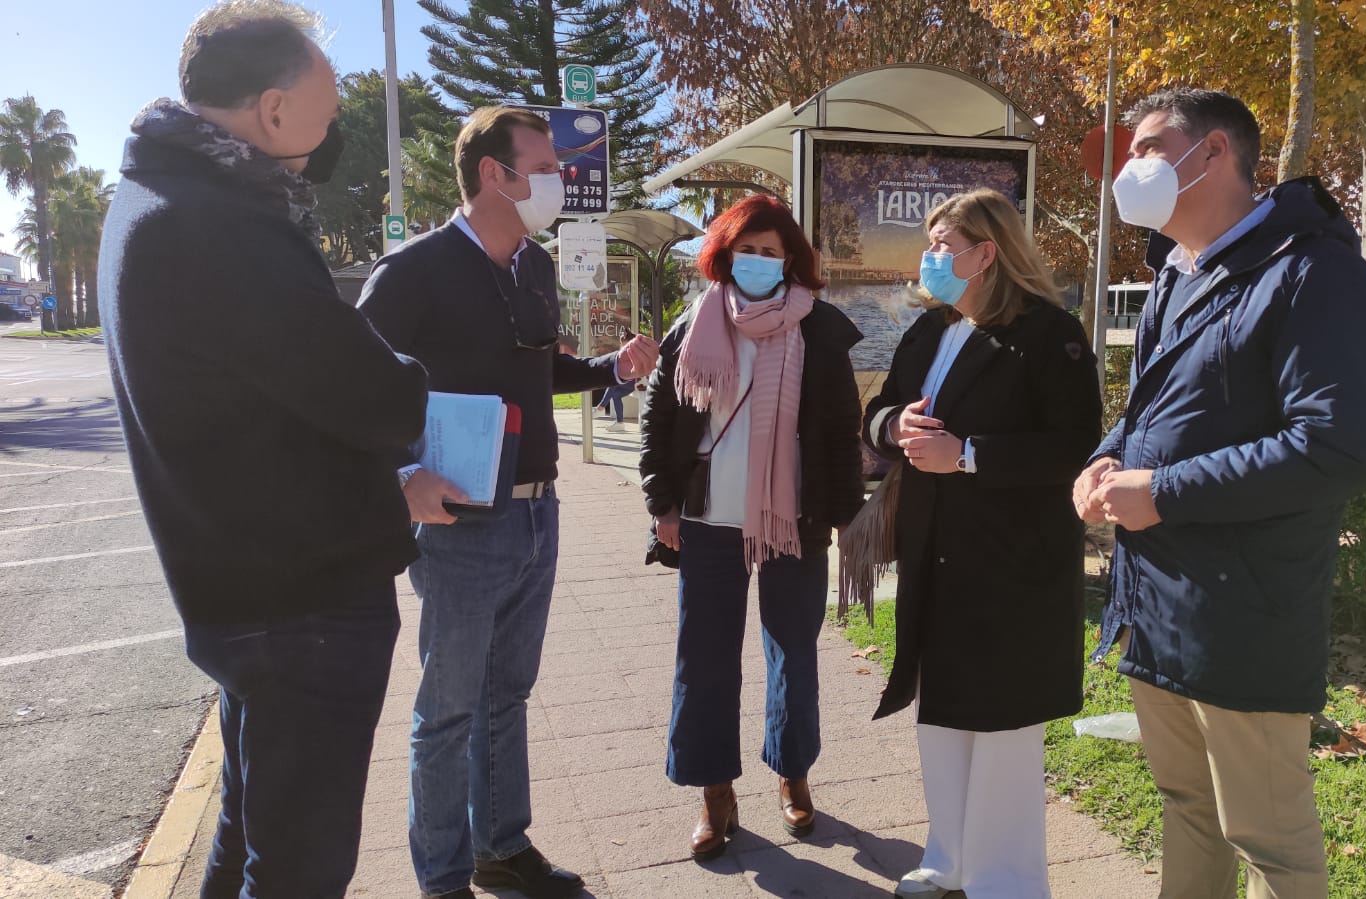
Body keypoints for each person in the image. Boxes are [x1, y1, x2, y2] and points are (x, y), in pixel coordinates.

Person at [98, 3, 428, 896]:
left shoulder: (154, 195)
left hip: (248, 592)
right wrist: (404, 380)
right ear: (273, 111)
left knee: (252, 838)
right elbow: (374, 393)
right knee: (297, 870)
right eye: (323, 118)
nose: (327, 141)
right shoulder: (218, 225)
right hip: (302, 606)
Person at [1074, 88, 1366, 899]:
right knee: (1188, 809)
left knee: (1270, 844)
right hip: (1158, 606)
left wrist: (1167, 491)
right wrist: (1106, 460)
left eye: (1148, 148)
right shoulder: (1177, 273)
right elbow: (1152, 408)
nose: (1131, 168)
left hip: (1245, 616)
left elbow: (1339, 446)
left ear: (1213, 152)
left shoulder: (1311, 269)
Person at [357, 105, 659, 899]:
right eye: (546, 165)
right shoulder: (413, 273)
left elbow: (538, 371)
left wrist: (609, 371)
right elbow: (351, 391)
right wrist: (400, 477)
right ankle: (443, 875)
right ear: (495, 173)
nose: (559, 181)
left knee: (508, 694)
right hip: (460, 522)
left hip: (537, 510)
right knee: (449, 707)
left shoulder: (533, 266)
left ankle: (501, 846)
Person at [861, 189, 1102, 899]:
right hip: (936, 552)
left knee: (1001, 727)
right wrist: (892, 430)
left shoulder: (1048, 333)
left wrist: (969, 455)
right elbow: (879, 411)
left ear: (986, 252)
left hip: (1013, 563)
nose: (929, 259)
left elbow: (1075, 445)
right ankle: (949, 857)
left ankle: (1008, 880)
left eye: (943, 246)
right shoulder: (931, 329)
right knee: (943, 712)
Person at [638, 194, 865, 861]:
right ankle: (715, 791)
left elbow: (838, 432)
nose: (760, 261)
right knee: (705, 658)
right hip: (708, 519)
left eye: (772, 251)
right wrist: (662, 503)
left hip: (794, 519)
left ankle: (793, 772)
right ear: (724, 253)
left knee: (793, 649)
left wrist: (848, 517)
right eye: (748, 249)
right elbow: (660, 420)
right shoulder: (697, 323)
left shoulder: (819, 328)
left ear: (790, 259)